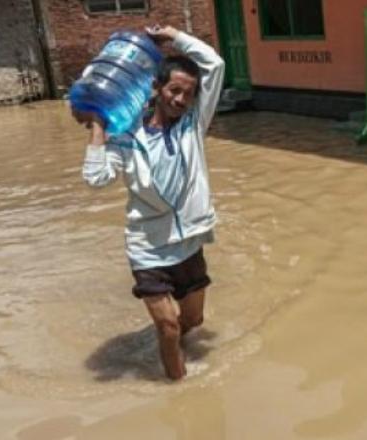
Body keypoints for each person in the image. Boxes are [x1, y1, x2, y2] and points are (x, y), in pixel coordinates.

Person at [75, 25, 224, 380]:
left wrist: (173, 35)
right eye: (173, 90)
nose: (180, 100)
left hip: (189, 239)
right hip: (148, 246)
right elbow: (96, 179)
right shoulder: (126, 135)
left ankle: (164, 347)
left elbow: (214, 64)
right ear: (156, 88)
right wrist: (98, 127)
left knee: (193, 321)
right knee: (169, 328)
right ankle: (180, 391)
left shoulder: (193, 124)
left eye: (188, 94)